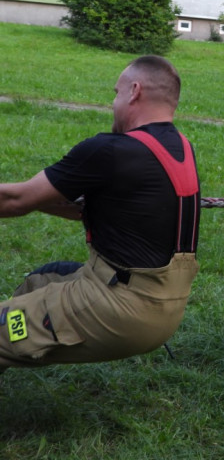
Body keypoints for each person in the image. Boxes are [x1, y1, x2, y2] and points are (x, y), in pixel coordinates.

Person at [0, 55, 200, 373]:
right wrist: (42, 197)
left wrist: (29, 198)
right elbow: (98, 211)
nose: (113, 103)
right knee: (41, 281)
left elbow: (14, 201)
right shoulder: (181, 149)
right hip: (165, 308)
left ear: (134, 91)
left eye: (116, 93)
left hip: (114, 308)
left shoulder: (110, 150)